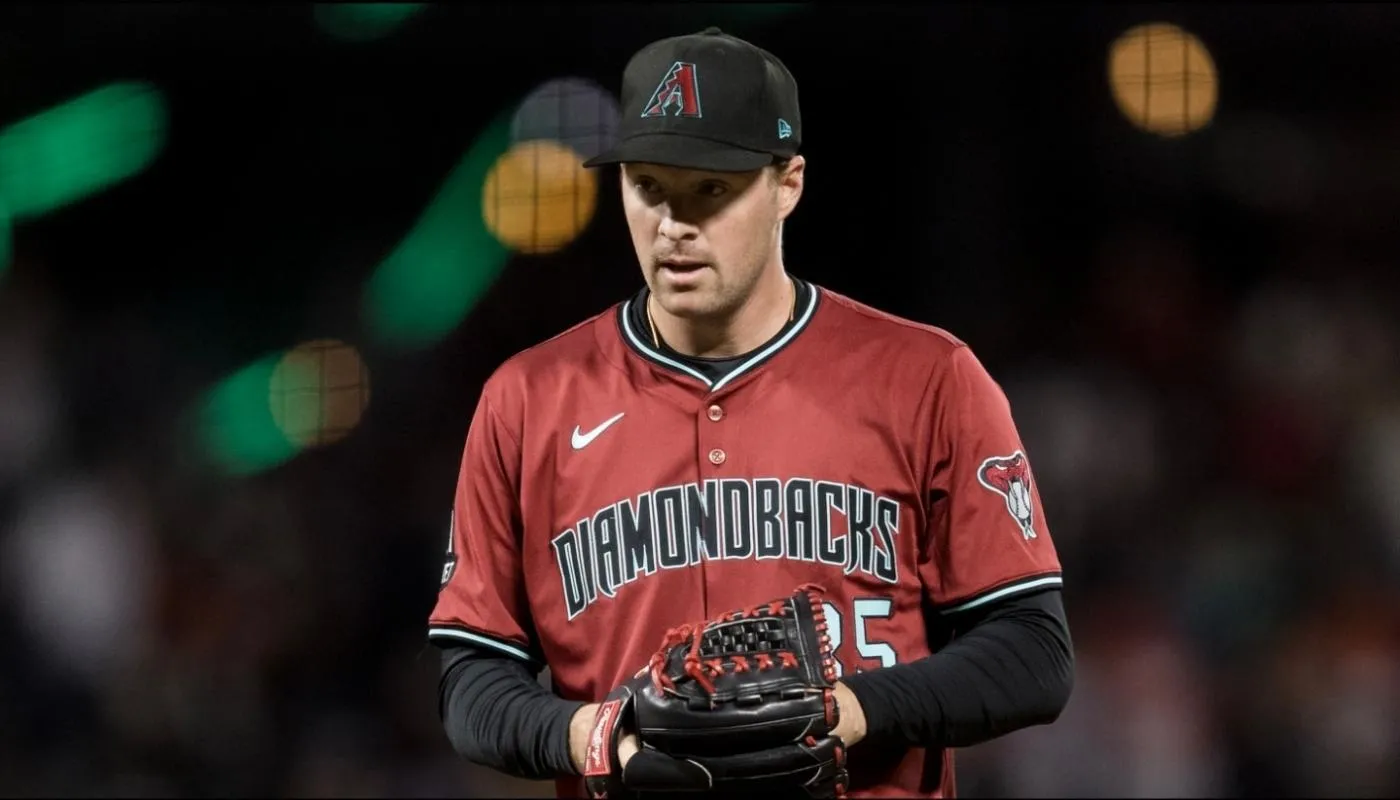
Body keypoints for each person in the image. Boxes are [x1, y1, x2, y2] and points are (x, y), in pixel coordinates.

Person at [428, 26, 1074, 799]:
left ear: (788, 183)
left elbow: (1033, 654)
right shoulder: (528, 399)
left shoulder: (928, 378)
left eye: (712, 189)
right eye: (650, 187)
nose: (675, 225)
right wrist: (598, 737)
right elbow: (471, 681)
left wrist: (853, 711)